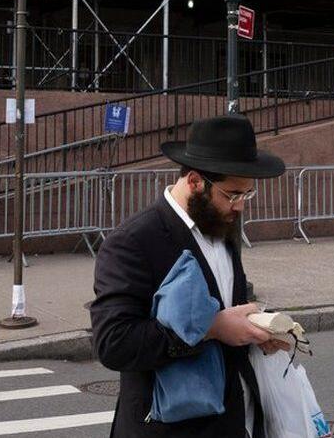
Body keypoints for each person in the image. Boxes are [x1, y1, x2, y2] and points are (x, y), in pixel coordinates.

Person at [91, 115, 292, 437]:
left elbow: (225, 307)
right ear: (196, 182)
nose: (239, 207)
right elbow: (115, 343)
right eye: (232, 194)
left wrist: (257, 329)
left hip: (232, 419)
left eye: (246, 195)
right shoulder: (134, 240)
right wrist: (211, 328)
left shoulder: (218, 225)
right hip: (169, 426)